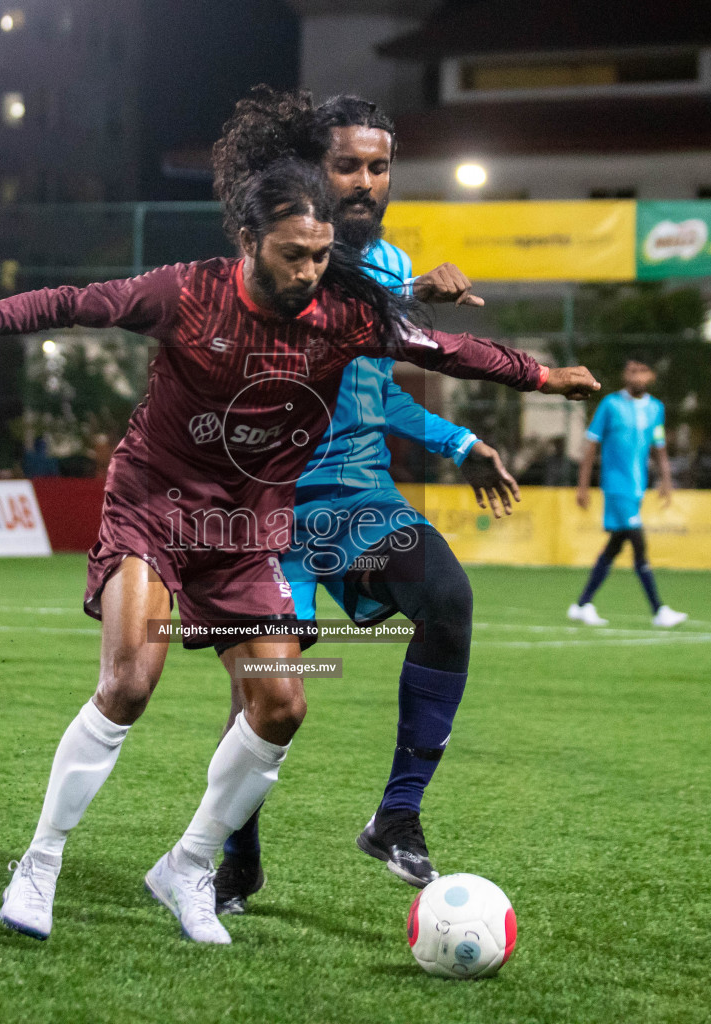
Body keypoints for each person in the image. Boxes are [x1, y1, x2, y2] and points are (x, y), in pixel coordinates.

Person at [0, 156, 599, 946]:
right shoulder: (187, 292)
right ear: (249, 239)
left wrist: (542, 376)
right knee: (130, 681)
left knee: (282, 705)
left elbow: (439, 349)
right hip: (157, 502)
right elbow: (71, 303)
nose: (311, 271)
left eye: (322, 255)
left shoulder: (343, 311)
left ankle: (188, 866)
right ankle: (39, 863)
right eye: (294, 254)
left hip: (248, 526)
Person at [208, 89, 526, 912]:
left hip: (359, 500)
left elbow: (374, 394)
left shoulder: (388, 270)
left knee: (447, 595)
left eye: (377, 166)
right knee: (270, 695)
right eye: (345, 164)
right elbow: (311, 318)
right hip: (267, 509)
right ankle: (232, 853)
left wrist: (460, 442)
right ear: (311, 169)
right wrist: (414, 289)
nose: (363, 181)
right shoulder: (276, 256)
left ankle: (399, 816)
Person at [568, 356, 687, 628]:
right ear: (625, 375)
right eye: (631, 370)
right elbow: (591, 446)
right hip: (616, 485)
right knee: (638, 543)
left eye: (641, 371)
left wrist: (667, 481)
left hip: (638, 488)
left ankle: (582, 604)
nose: (636, 376)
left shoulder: (656, 409)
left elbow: (659, 447)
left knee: (615, 546)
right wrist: (583, 485)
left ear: (651, 376)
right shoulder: (610, 405)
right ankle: (659, 610)